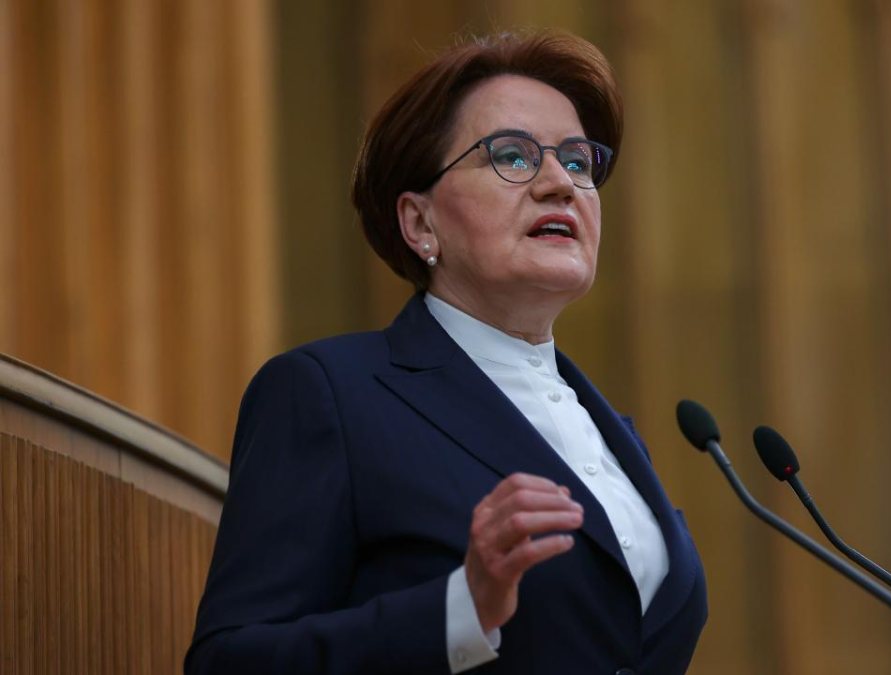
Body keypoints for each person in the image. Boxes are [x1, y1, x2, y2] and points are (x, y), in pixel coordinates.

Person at [185, 30, 707, 675]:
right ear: (420, 223)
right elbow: (230, 663)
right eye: (511, 155)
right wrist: (462, 611)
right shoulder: (331, 396)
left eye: (578, 162)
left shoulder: (613, 437)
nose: (560, 184)